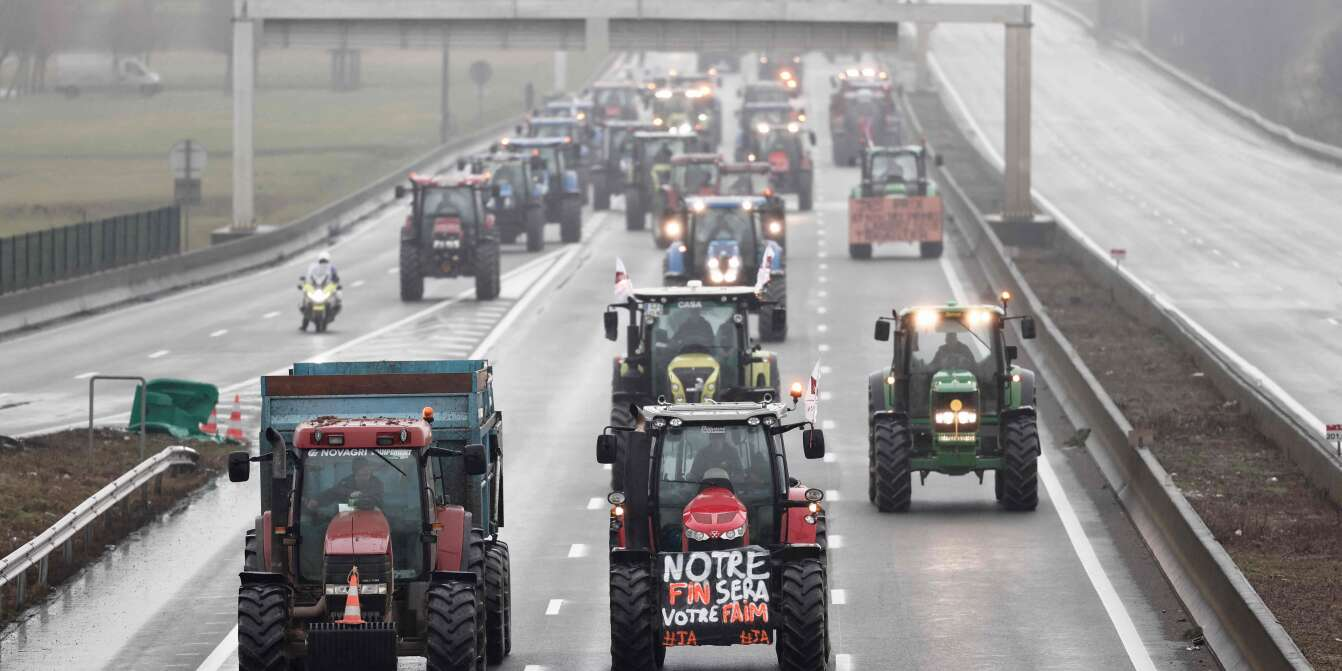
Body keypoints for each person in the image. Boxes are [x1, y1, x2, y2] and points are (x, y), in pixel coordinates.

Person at [306, 458, 384, 511]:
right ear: (355, 473)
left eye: (367, 474)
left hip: (372, 517)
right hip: (346, 518)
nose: (365, 477)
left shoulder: (377, 483)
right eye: (361, 474)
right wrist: (317, 500)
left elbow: (371, 502)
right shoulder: (346, 482)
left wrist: (351, 500)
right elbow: (333, 492)